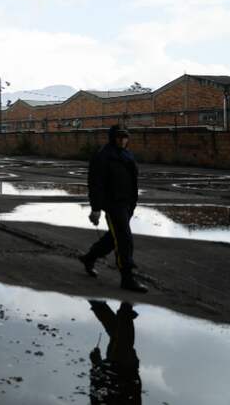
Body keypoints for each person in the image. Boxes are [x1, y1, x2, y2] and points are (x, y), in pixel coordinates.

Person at [79, 125, 149, 293]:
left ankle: (89, 257)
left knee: (113, 238)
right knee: (124, 238)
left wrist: (133, 202)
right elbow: (95, 184)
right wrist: (95, 208)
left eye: (125, 137)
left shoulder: (127, 155)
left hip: (127, 204)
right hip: (113, 204)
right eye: (118, 137)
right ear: (112, 137)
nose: (122, 140)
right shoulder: (103, 156)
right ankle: (127, 277)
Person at [88, 300, 142, 404]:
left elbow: (96, 392)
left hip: (124, 369)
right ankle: (99, 304)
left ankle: (124, 304)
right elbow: (96, 391)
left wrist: (96, 365)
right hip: (123, 369)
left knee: (121, 336)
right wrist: (96, 365)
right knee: (119, 336)